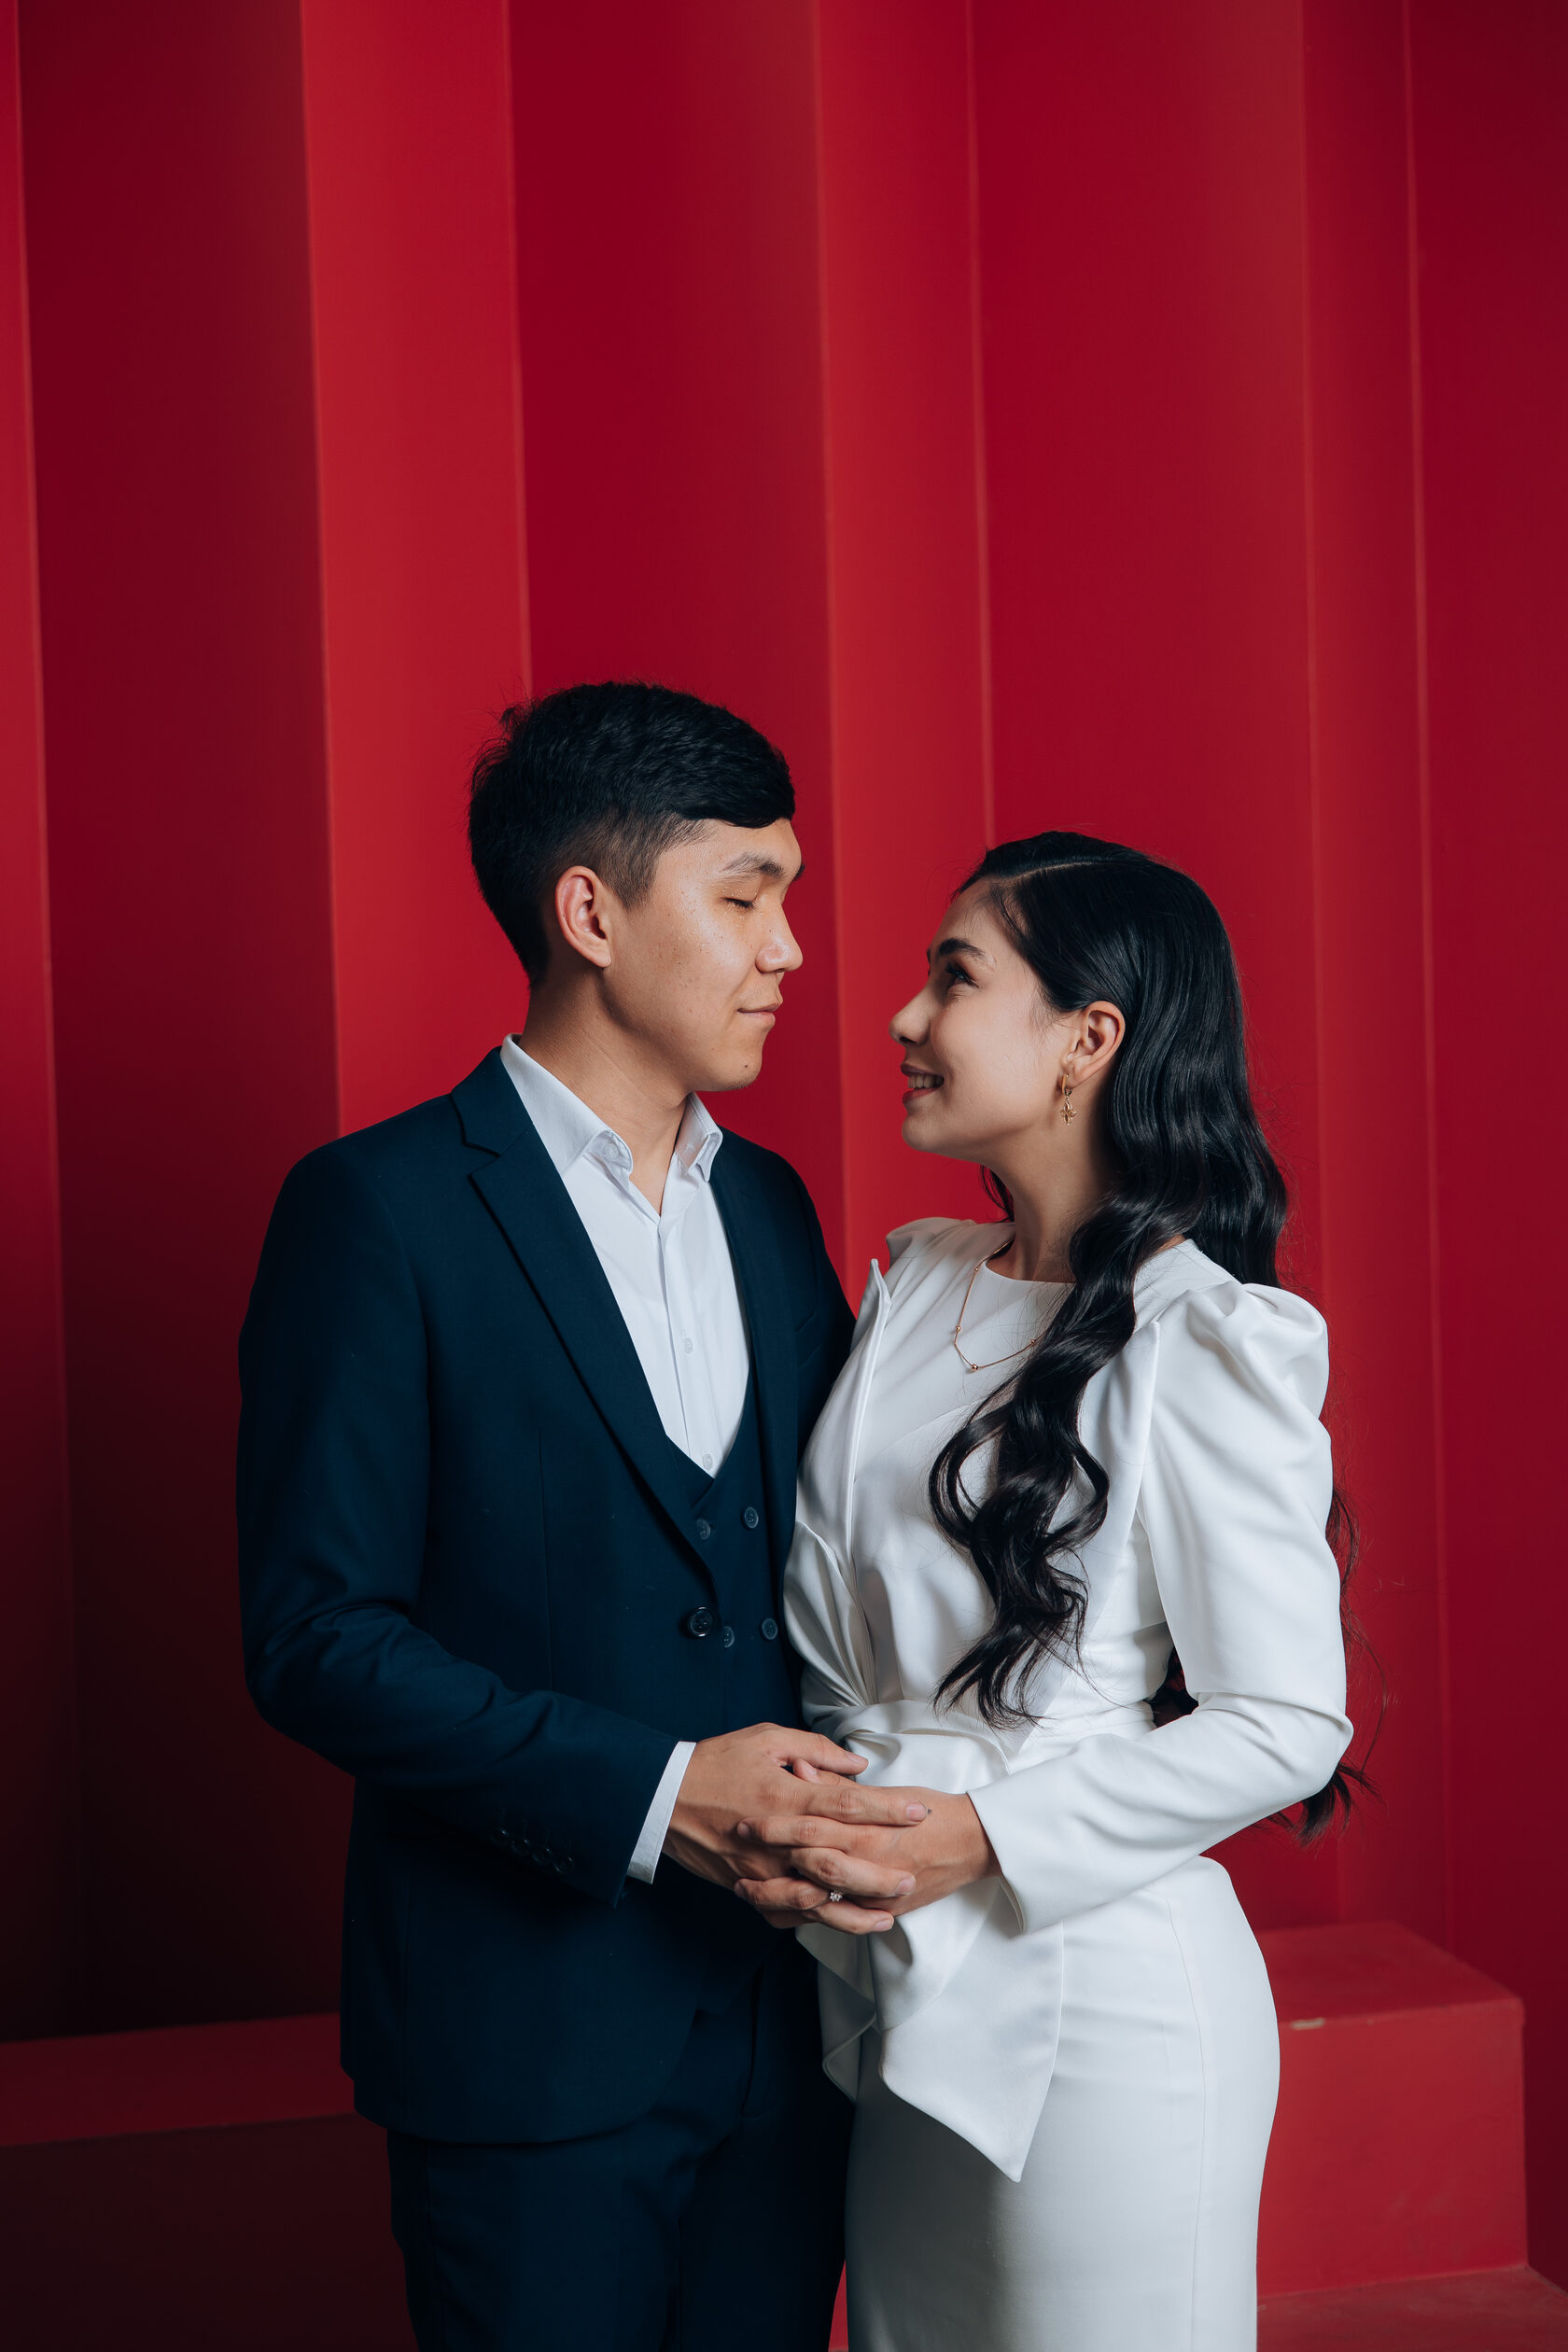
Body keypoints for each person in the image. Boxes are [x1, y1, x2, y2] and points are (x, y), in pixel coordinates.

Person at [235, 681, 924, 2352]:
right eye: (746, 896)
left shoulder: (772, 1208)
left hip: (792, 2032)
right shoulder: (377, 1211)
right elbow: (315, 1637)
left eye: (791, 898)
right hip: (520, 2042)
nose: (791, 952)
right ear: (592, 914)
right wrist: (661, 1793)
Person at [734, 833, 1358, 2351]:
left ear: (1089, 1039)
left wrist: (976, 1837)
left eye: (955, 977)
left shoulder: (1203, 1334)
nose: (904, 1017)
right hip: (886, 1968)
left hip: (1103, 2003)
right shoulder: (917, 1280)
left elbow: (1289, 1720)